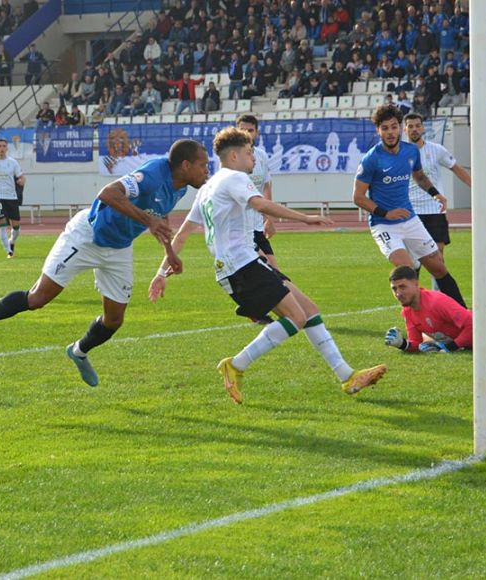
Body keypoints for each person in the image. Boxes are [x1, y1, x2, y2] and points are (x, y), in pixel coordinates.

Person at [149, 128, 387, 403]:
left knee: (309, 311)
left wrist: (159, 273)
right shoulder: (235, 177)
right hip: (241, 265)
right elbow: (260, 204)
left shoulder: (208, 188)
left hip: (244, 263)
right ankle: (236, 365)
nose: (254, 159)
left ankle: (347, 375)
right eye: (250, 153)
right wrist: (305, 218)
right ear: (235, 155)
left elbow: (182, 235)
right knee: (296, 318)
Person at [0, 140, 210, 387]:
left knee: (114, 320)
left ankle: (78, 351)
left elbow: (159, 213)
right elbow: (108, 193)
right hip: (87, 235)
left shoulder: (180, 187)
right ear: (185, 165)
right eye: (203, 165)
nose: (206, 171)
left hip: (119, 247)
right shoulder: (154, 173)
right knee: (38, 298)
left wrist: (169, 251)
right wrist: (147, 220)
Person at [352, 105, 467, 308]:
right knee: (407, 272)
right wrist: (386, 213)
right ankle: (423, 322)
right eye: (385, 128)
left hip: (410, 220)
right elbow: (358, 197)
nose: (390, 132)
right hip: (384, 225)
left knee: (439, 268)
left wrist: (436, 194)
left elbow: (420, 176)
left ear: (399, 128)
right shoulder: (371, 159)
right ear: (378, 131)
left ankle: (464, 315)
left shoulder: (411, 151)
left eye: (393, 127)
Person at [403, 113, 471, 286]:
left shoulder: (436, 150)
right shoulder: (400, 153)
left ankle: (438, 298)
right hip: (411, 212)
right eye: (410, 126)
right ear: (405, 130)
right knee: (413, 260)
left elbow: (456, 168)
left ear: (423, 128)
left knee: (438, 257)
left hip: (435, 210)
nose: (414, 129)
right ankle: (414, 299)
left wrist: (477, 188)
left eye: (417, 125)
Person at [235, 114, 279, 270]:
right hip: (240, 228)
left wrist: (270, 219)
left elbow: (266, 186)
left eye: (250, 130)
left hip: (257, 225)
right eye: (242, 130)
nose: (247, 133)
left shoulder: (261, 155)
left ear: (257, 132)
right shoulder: (231, 159)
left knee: (276, 273)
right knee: (269, 272)